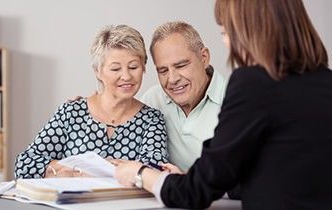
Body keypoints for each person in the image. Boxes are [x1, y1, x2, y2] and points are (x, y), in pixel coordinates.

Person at [114, 0, 332, 209]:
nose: (226, 42)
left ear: (251, 30)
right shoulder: (325, 82)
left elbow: (196, 192)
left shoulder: (252, 84)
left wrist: (141, 174)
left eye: (227, 32)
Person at [15, 24, 168, 179]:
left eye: (133, 67)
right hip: (72, 202)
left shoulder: (152, 119)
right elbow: (24, 164)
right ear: (97, 71)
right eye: (115, 69)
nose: (126, 76)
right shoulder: (71, 112)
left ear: (144, 67)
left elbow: (154, 171)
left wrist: (86, 170)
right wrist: (69, 170)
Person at [141, 21, 227, 172]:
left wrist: (185, 180)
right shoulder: (153, 100)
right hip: (167, 194)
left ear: (204, 58)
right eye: (163, 71)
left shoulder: (235, 101)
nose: (172, 79)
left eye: (181, 66)